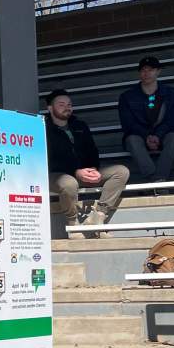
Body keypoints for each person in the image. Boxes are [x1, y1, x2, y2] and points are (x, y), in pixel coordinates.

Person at [45, 89, 128, 237]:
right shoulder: (43, 128)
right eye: (61, 104)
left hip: (83, 173)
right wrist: (75, 172)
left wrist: (93, 169)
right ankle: (73, 225)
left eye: (69, 104)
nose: (67, 107)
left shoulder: (80, 125)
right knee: (69, 183)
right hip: (56, 175)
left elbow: (92, 150)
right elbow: (50, 158)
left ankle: (98, 216)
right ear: (50, 108)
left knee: (121, 171)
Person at [118, 55, 174, 183]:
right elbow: (127, 123)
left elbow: (173, 120)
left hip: (164, 134)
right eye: (143, 70)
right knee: (131, 139)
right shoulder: (127, 96)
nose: (146, 73)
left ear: (158, 71)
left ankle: (156, 180)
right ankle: (157, 181)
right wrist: (147, 136)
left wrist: (158, 136)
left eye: (151, 69)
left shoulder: (172, 93)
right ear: (139, 73)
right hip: (139, 135)